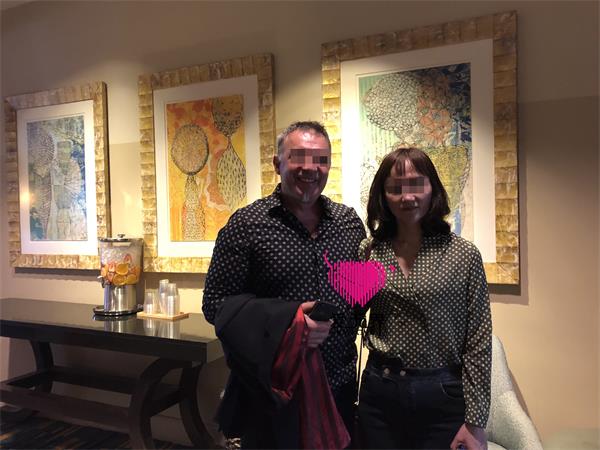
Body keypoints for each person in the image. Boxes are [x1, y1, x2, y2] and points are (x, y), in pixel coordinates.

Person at [202, 121, 366, 448]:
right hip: (275, 392)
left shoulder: (349, 224)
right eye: (298, 157)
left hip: (339, 385)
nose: (310, 168)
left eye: (320, 159)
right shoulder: (247, 225)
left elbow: (357, 298)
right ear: (278, 164)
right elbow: (216, 304)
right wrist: (290, 323)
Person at [357, 147, 492, 450]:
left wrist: (476, 422)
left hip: (443, 398)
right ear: (383, 195)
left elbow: (479, 341)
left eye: (417, 184)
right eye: (395, 188)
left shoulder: (463, 255)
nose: (407, 197)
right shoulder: (369, 251)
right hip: (380, 396)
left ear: (433, 188)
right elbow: (348, 316)